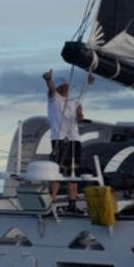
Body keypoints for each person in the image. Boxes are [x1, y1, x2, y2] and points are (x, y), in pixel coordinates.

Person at [42, 69, 92, 210]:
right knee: (58, 171)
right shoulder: (54, 99)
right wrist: (48, 80)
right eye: (63, 86)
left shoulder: (75, 102)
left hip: (74, 140)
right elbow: (50, 90)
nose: (66, 88)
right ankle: (50, 203)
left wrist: (80, 115)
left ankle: (72, 203)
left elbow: (79, 117)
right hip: (59, 139)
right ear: (58, 88)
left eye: (66, 86)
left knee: (73, 172)